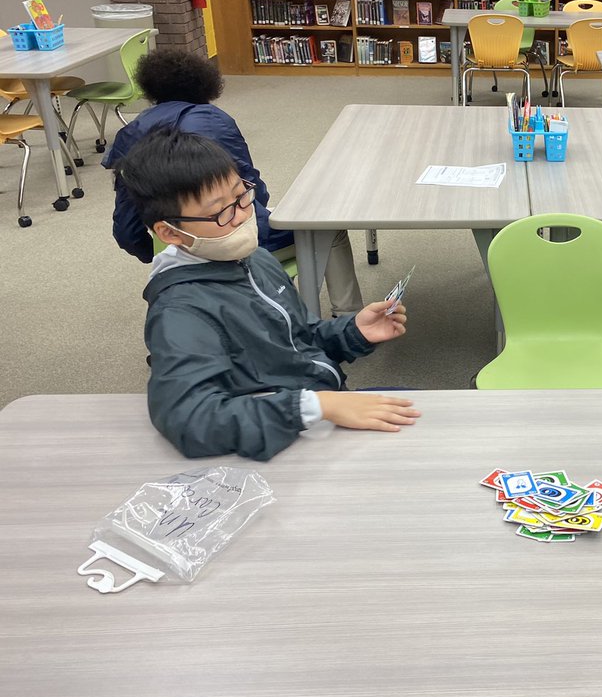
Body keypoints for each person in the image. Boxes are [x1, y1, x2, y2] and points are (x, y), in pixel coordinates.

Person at [114, 128, 420, 461]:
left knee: (427, 420)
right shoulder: (181, 312)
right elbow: (191, 418)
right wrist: (315, 406)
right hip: (275, 438)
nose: (243, 216)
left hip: (310, 408)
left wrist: (353, 331)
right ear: (170, 232)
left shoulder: (254, 259)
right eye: (221, 213)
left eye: (242, 197)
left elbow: (298, 337)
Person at [104, 49, 364, 315]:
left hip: (178, 246)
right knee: (329, 226)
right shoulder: (213, 121)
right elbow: (251, 194)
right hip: (235, 238)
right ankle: (348, 315)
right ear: (205, 84)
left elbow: (126, 229)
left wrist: (165, 251)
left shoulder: (128, 135)